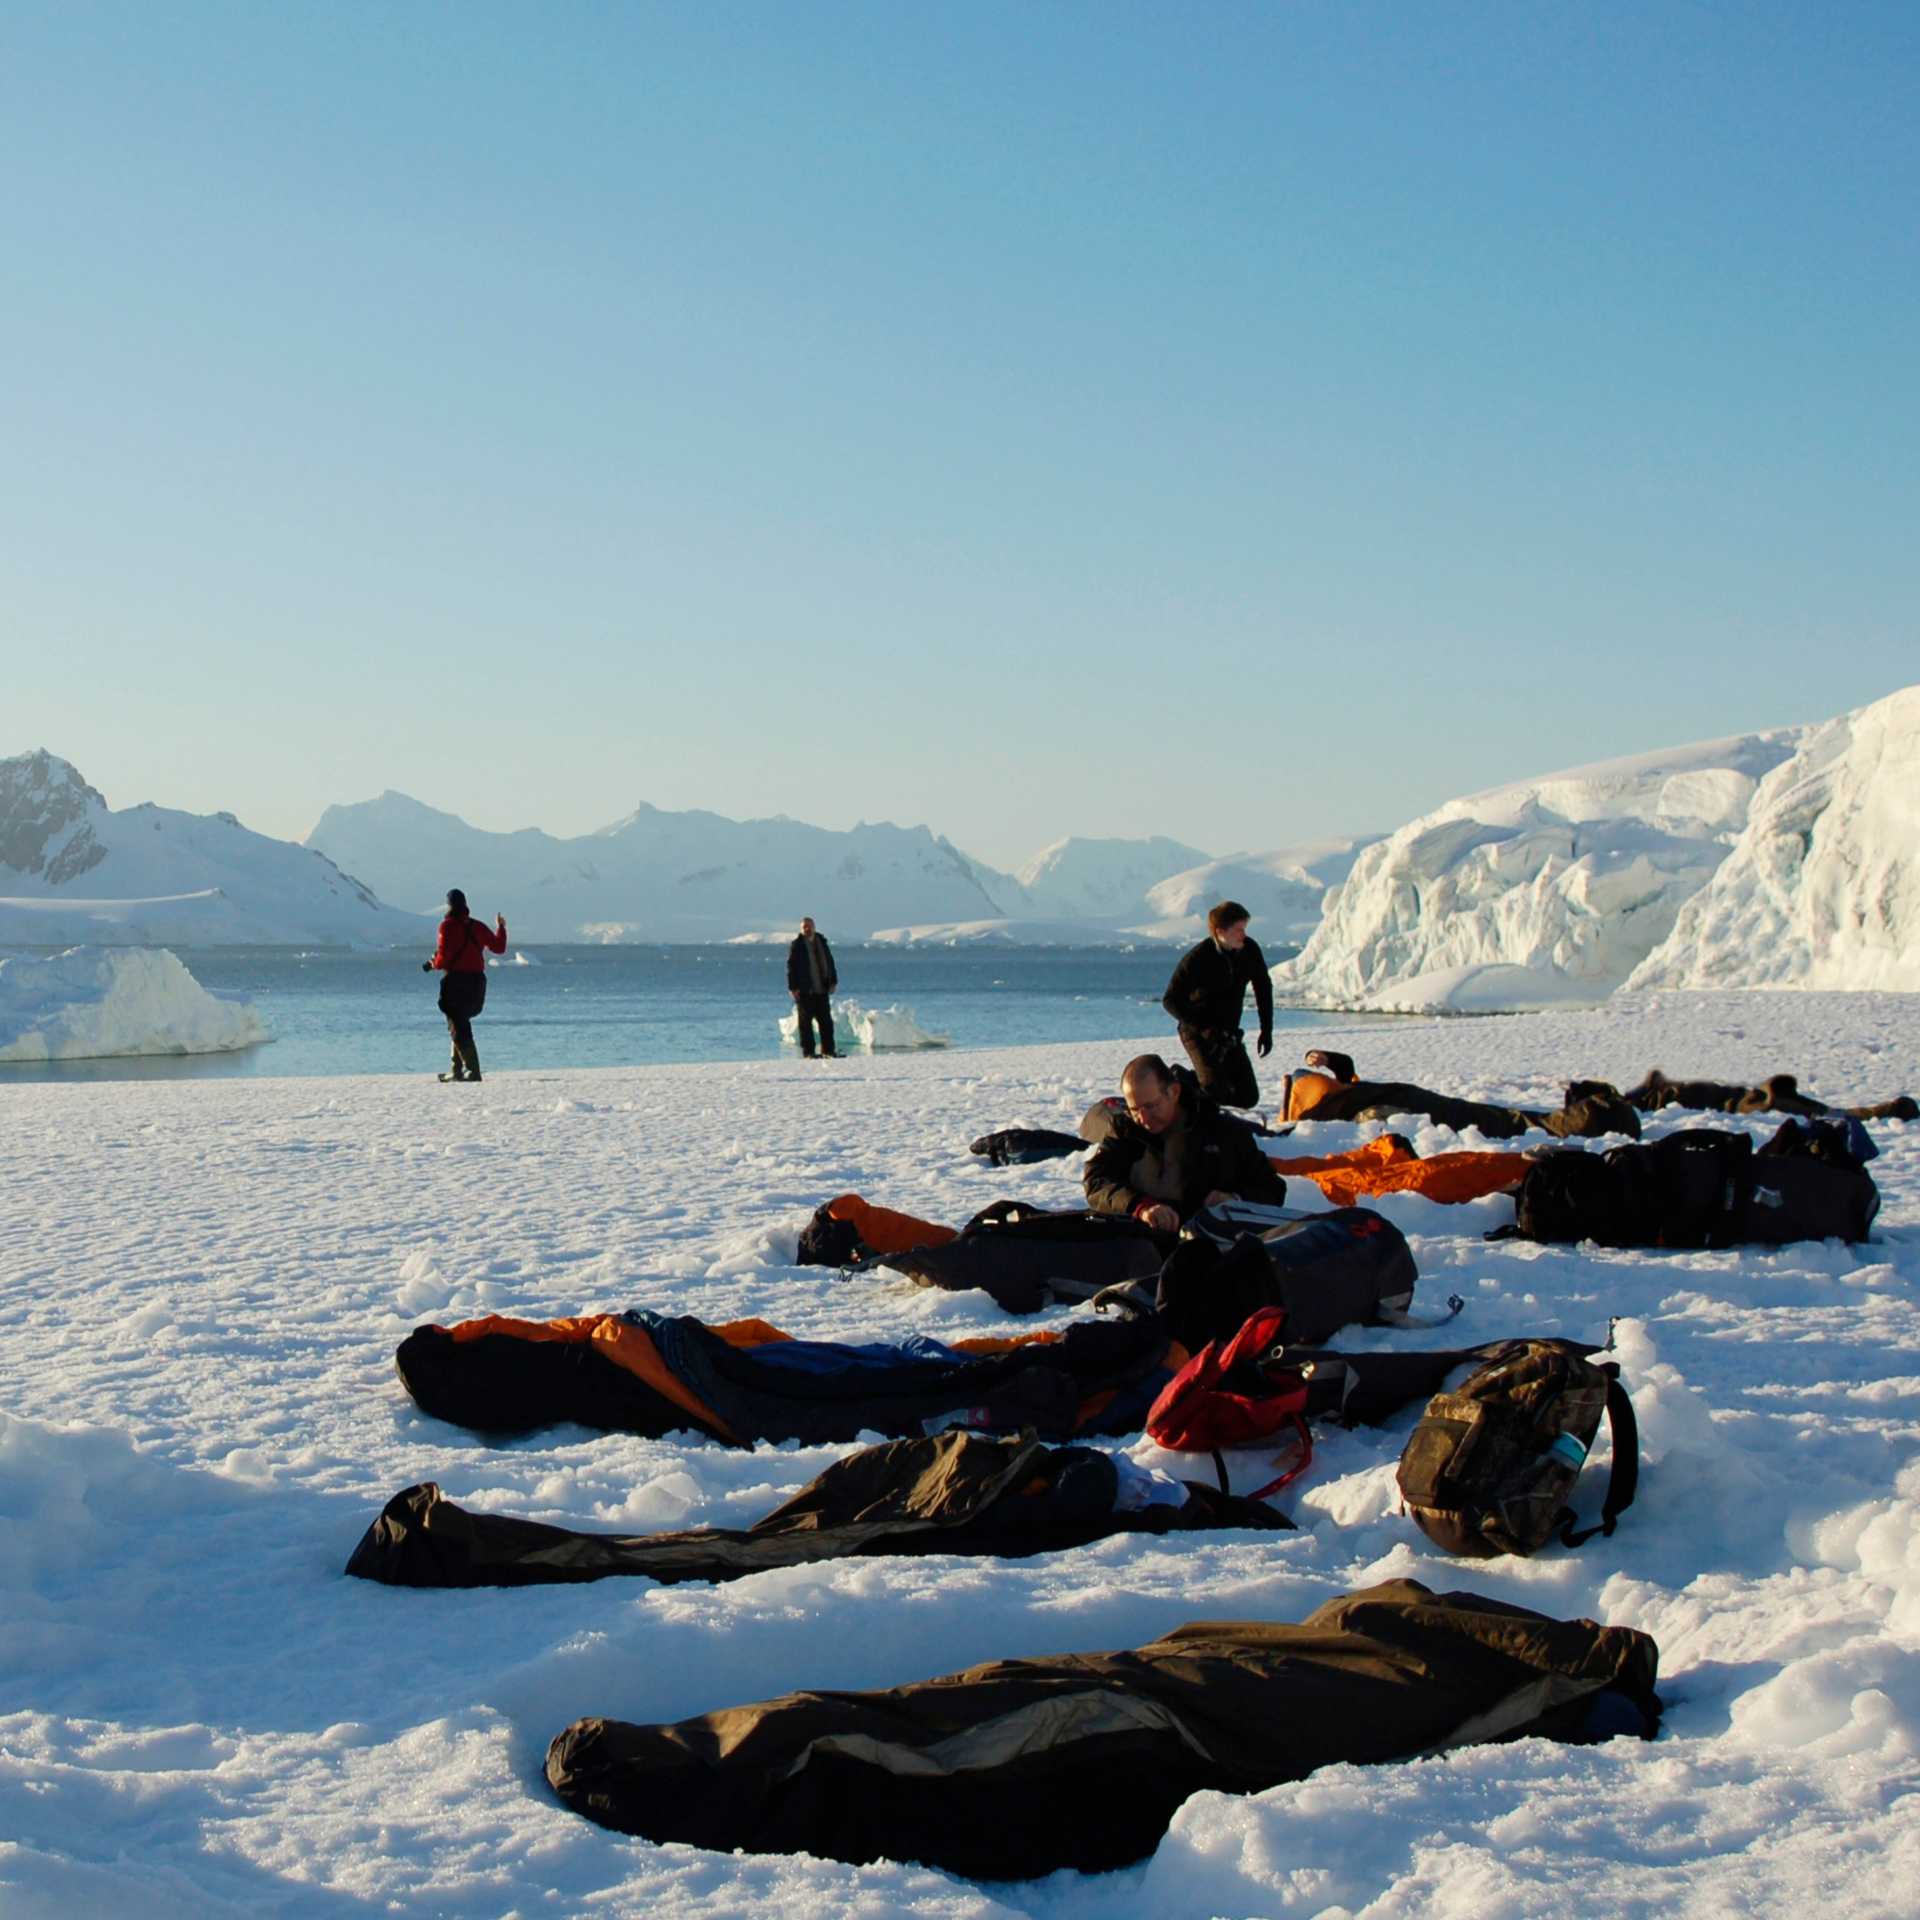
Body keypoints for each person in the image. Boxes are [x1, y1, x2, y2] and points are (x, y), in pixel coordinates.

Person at [1084, 1053, 1287, 1230]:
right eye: (1135, 1109)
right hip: (1145, 1243)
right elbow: (1096, 1182)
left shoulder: (1223, 1132)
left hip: (1209, 1246)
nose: (1143, 1119)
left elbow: (1272, 1188)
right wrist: (1140, 1206)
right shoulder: (1127, 1131)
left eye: (1151, 1106)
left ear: (1173, 1092)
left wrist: (1235, 1199)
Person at [1161, 900, 1274, 1110]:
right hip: (1197, 1033)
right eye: (1239, 929)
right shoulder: (1198, 957)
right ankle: (1181, 1081)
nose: (1244, 934)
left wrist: (1266, 1030)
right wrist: (1204, 1029)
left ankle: (1196, 1082)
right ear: (1220, 931)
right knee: (1215, 1094)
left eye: (1245, 929)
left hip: (1228, 1034)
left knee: (1247, 1098)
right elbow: (1170, 1000)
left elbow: (1263, 989)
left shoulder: (1249, 949)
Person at [422, 887, 507, 1082]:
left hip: (456, 983)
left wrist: (432, 963)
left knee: (458, 1025)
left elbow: (443, 959)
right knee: (458, 1024)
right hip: (477, 983)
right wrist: (501, 928)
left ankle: (472, 1070)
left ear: (449, 905)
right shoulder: (477, 926)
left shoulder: (447, 926)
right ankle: (457, 1070)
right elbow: (499, 947)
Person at [786, 914, 839, 1059]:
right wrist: (792, 988)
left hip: (821, 990)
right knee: (805, 1024)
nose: (807, 929)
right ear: (801, 929)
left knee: (826, 1022)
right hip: (805, 991)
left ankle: (828, 1050)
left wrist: (833, 981)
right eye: (804, 927)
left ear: (814, 927)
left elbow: (830, 963)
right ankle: (808, 1052)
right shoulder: (797, 945)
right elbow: (791, 968)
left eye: (809, 926)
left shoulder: (822, 942)